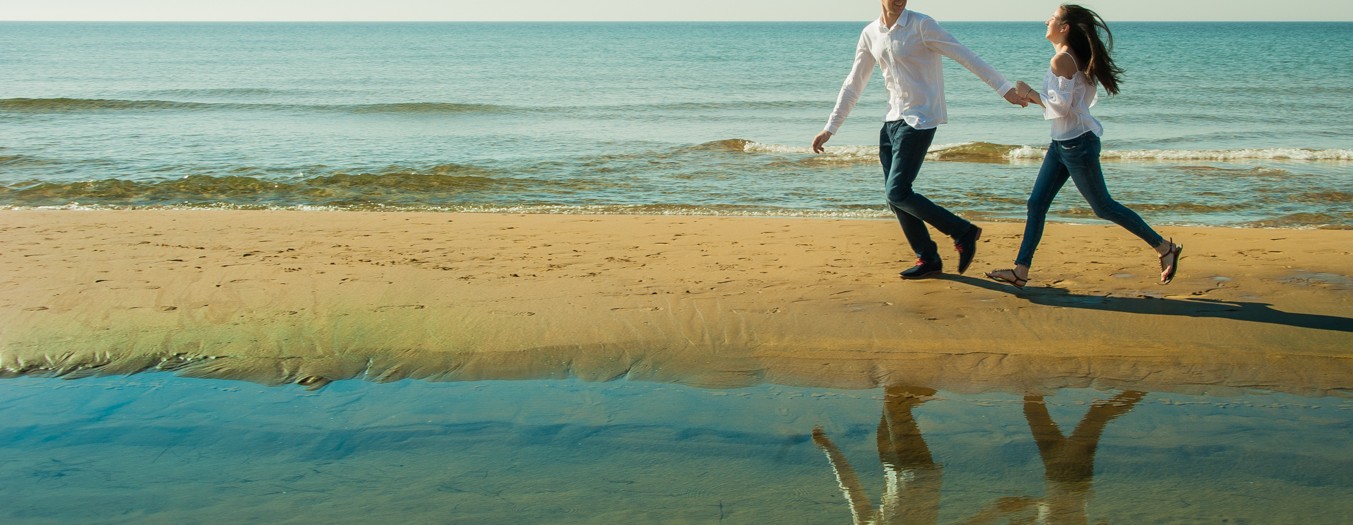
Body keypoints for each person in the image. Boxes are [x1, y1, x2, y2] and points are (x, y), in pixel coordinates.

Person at [812, 0, 1029, 279]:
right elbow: (854, 82)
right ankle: (927, 258)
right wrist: (831, 127)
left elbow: (965, 55)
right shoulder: (870, 33)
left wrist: (1005, 89)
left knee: (897, 191)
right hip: (892, 121)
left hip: (921, 119)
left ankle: (962, 231)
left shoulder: (922, 25)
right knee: (896, 198)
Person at [986, 4, 1182, 289]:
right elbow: (1074, 104)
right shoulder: (1071, 56)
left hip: (1076, 145)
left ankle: (1165, 248)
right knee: (1037, 203)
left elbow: (1061, 108)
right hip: (1063, 144)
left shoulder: (1062, 60)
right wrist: (1039, 97)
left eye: (1052, 18)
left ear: (1064, 28)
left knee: (1103, 206)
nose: (1046, 21)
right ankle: (1020, 270)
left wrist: (1030, 93)